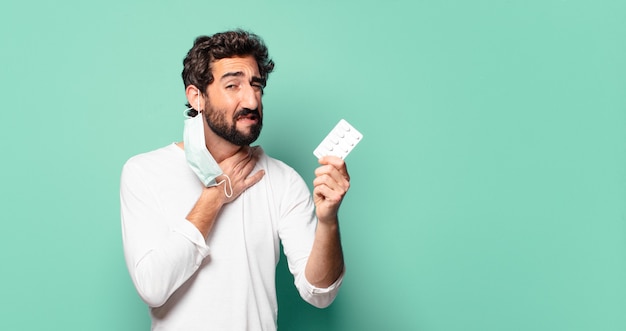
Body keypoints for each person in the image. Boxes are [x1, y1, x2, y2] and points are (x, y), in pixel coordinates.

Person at [120, 30, 350, 330]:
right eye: (233, 85)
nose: (251, 100)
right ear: (196, 97)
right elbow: (152, 287)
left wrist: (329, 221)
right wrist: (214, 196)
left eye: (256, 86)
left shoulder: (283, 180)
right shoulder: (144, 172)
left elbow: (320, 293)